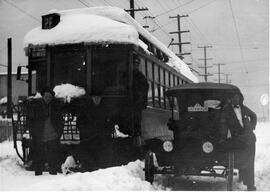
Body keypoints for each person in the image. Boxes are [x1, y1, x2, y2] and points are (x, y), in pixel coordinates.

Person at [220, 93, 257, 191]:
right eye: (234, 98)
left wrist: (251, 127)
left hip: (250, 139)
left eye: (238, 98)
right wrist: (224, 138)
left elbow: (254, 116)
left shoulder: (244, 108)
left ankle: (250, 185)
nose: (236, 99)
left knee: (250, 163)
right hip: (238, 140)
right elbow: (223, 126)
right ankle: (244, 178)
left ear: (240, 99)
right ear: (231, 99)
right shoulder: (226, 111)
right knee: (241, 162)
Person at [26, 87, 64, 175]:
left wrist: (59, 132)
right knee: (39, 157)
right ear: (43, 96)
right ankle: (38, 175)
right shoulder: (36, 107)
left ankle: (53, 175)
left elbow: (60, 120)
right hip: (40, 136)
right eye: (46, 96)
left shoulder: (55, 107)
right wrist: (33, 133)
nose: (48, 98)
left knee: (53, 158)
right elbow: (30, 120)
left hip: (53, 136)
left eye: (50, 97)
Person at [132, 55, 149, 137]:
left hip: (136, 105)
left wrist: (139, 101)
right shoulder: (126, 75)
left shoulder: (140, 77)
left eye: (137, 63)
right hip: (134, 104)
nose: (136, 65)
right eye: (134, 63)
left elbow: (144, 90)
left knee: (136, 123)